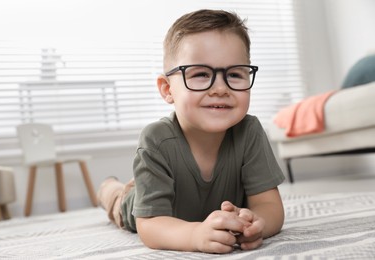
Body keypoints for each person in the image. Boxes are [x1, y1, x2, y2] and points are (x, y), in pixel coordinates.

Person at [97, 9, 285, 254]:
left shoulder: (249, 131)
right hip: (137, 203)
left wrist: (256, 223)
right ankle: (107, 188)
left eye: (235, 74)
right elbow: (150, 225)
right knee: (119, 201)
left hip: (194, 201)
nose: (219, 88)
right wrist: (195, 235)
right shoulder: (157, 140)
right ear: (167, 89)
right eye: (200, 74)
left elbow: (269, 205)